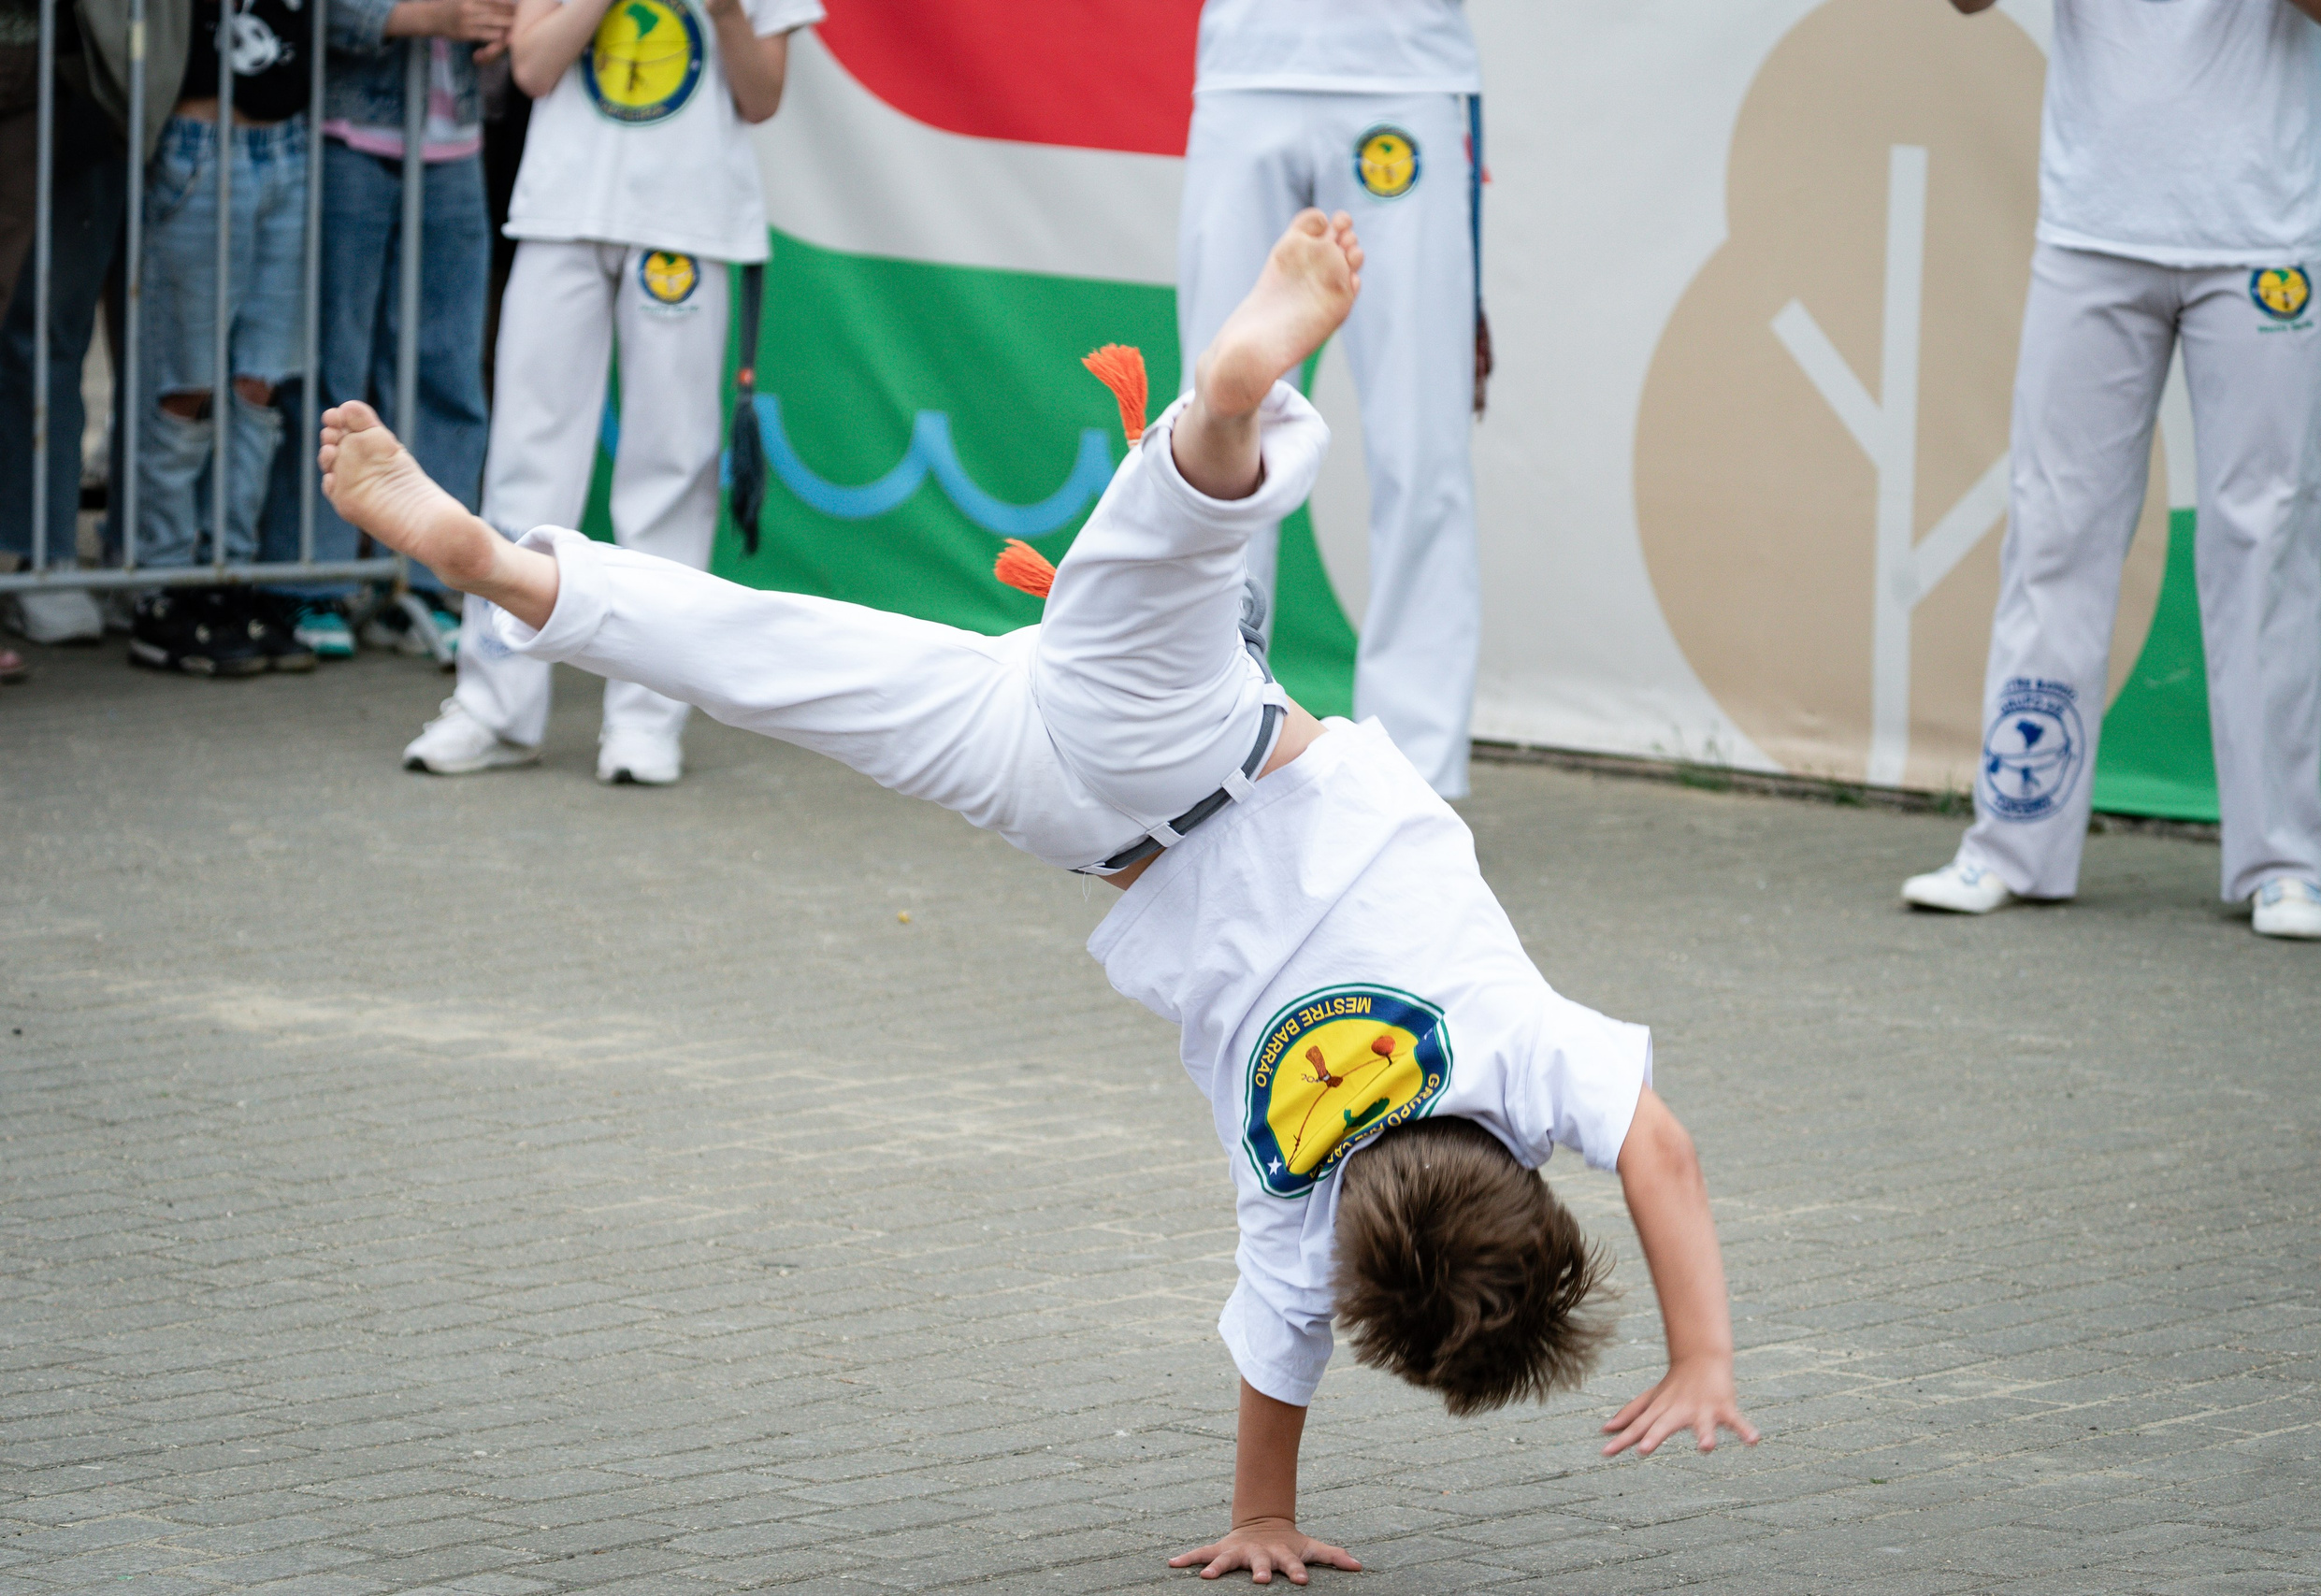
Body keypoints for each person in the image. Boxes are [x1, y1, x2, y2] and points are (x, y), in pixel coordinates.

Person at [322, 210, 1757, 1583]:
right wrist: (1262, 1513)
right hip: (1073, 815)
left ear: (1519, 1176)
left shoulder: (1518, 1054)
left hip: (1200, 748)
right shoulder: (1299, 1188)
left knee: (1167, 556)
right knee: (785, 667)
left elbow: (1665, 1157)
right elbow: (1282, 1353)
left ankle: (1226, 424)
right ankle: (509, 573)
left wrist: (1704, 1349)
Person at [1905, 0, 2321, 940]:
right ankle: (2012, 844)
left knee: (2265, 543)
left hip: (2262, 232)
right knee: (2053, 532)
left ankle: (2282, 862)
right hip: (2094, 225)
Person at [400, 0, 817, 782]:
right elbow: (531, 66)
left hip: (688, 226)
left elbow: (761, 96)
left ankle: (646, 718)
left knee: (670, 471)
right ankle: (494, 704)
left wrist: (727, 14)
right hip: (561, 213)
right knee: (528, 461)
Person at [1176, 0, 1487, 801]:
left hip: (1401, 70)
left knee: (1422, 448)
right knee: (1215, 425)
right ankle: (1204, 752)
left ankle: (1413, 787)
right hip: (1249, 64)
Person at [252, 0, 512, 660]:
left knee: (448, 369)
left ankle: (431, 577)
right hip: (347, 133)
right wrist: (422, 16)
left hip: (456, 138)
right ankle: (312, 574)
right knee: (330, 365)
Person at [124, 0, 319, 675]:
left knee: (258, 383)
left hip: (286, 142)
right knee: (188, 383)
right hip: (199, 140)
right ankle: (165, 583)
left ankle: (227, 573)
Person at [0, 0, 191, 647]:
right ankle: (40, 550)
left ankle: (85, 549)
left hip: (108, 82)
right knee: (44, 327)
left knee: (85, 327)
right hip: (33, 77)